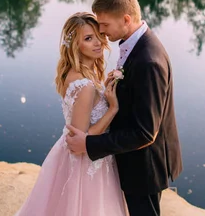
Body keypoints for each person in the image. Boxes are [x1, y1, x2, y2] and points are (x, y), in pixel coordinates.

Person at [66, 0, 183, 216]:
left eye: (105, 25)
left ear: (126, 19)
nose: (101, 31)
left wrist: (90, 144)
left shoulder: (149, 61)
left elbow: (145, 133)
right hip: (136, 161)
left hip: (144, 166)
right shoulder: (136, 44)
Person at [14, 12, 127, 216]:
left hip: (73, 155)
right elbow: (82, 140)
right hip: (88, 162)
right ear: (76, 46)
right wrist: (112, 109)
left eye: (98, 35)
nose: (97, 43)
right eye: (87, 38)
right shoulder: (85, 86)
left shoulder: (76, 74)